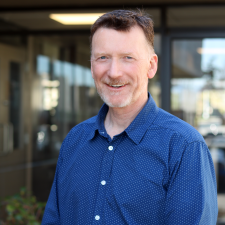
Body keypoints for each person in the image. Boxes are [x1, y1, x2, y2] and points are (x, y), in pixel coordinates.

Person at [42, 9, 218, 224]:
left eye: (128, 57)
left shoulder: (183, 147)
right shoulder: (74, 140)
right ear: (91, 65)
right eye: (103, 57)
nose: (114, 72)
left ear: (151, 66)